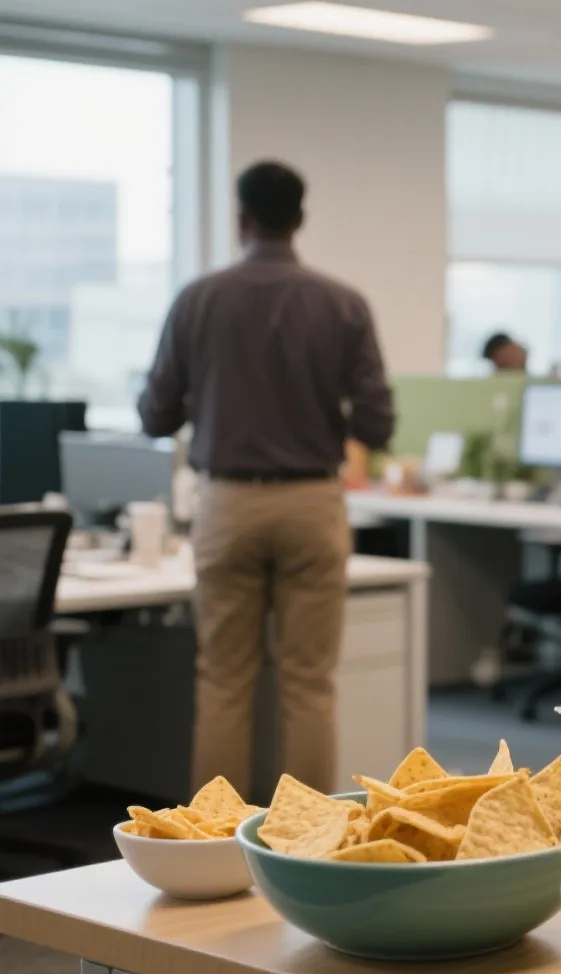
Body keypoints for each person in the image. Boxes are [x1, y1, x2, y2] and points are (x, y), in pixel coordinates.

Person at [137, 160, 395, 798]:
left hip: (228, 502)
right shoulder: (343, 303)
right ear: (300, 219)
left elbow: (154, 415)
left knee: (223, 682)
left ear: (240, 219)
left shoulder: (198, 299)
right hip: (311, 502)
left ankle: (217, 838)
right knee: (308, 684)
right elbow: (378, 422)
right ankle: (302, 841)